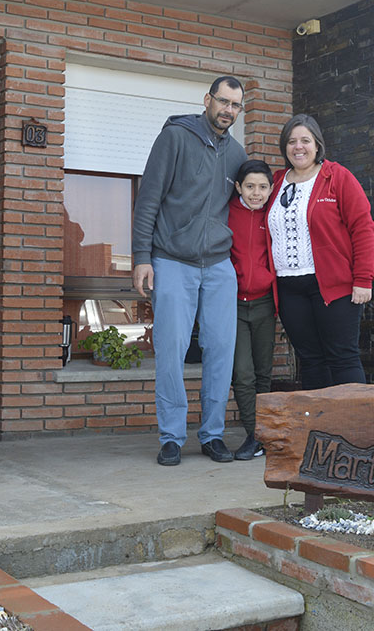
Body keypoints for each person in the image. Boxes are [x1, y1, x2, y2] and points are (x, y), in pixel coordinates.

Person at [132, 76, 248, 466]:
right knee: (171, 352)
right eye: (223, 101)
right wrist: (141, 257)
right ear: (207, 100)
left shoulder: (237, 155)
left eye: (236, 105)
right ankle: (171, 437)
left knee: (221, 353)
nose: (228, 110)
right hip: (172, 260)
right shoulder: (175, 139)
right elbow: (148, 199)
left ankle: (213, 435)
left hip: (218, 266)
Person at [266, 113, 374, 390]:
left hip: (332, 285)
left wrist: (363, 279)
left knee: (343, 358)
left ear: (317, 145)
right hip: (289, 287)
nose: (298, 147)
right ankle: (320, 427)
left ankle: (353, 428)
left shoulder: (337, 177)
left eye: (305, 140)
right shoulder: (276, 182)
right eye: (291, 141)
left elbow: (362, 228)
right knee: (310, 360)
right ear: (284, 147)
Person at [227, 159, 275, 460]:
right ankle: (254, 435)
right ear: (238, 187)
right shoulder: (226, 213)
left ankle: (263, 437)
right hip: (232, 304)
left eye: (262, 187)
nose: (256, 193)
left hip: (266, 303)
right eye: (250, 186)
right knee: (242, 373)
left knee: (263, 373)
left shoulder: (274, 214)